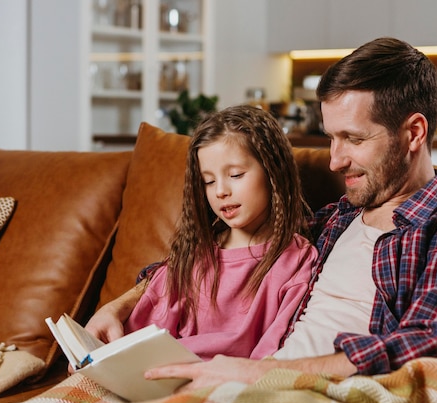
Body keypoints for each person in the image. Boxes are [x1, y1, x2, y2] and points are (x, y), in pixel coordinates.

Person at [92, 37, 437, 390]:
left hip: (304, 392)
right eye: (331, 138)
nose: (335, 161)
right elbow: (215, 259)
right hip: (251, 380)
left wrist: (260, 372)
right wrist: (120, 306)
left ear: (414, 133)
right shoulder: (334, 221)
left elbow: (433, 346)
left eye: (352, 138)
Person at [86, 105, 318, 361]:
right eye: (208, 181)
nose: (220, 191)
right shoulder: (195, 255)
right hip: (167, 375)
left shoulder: (297, 260)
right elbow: (143, 333)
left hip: (233, 382)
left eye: (236, 174)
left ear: (273, 172)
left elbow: (277, 350)